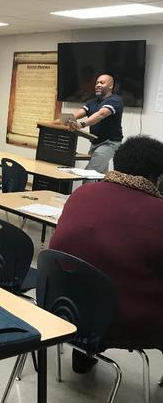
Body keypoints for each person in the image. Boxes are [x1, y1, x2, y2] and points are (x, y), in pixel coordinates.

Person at [50, 135, 163, 372]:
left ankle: (83, 356)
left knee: (95, 267)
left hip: (64, 306)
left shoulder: (82, 194)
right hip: (120, 320)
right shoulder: (157, 212)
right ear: (157, 178)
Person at [63, 73, 123, 173]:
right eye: (97, 83)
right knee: (100, 175)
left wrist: (81, 124)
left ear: (111, 86)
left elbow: (101, 114)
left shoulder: (115, 100)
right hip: (95, 142)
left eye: (102, 83)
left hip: (109, 143)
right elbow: (75, 115)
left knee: (89, 173)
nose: (98, 85)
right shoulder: (92, 102)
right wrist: (54, 122)